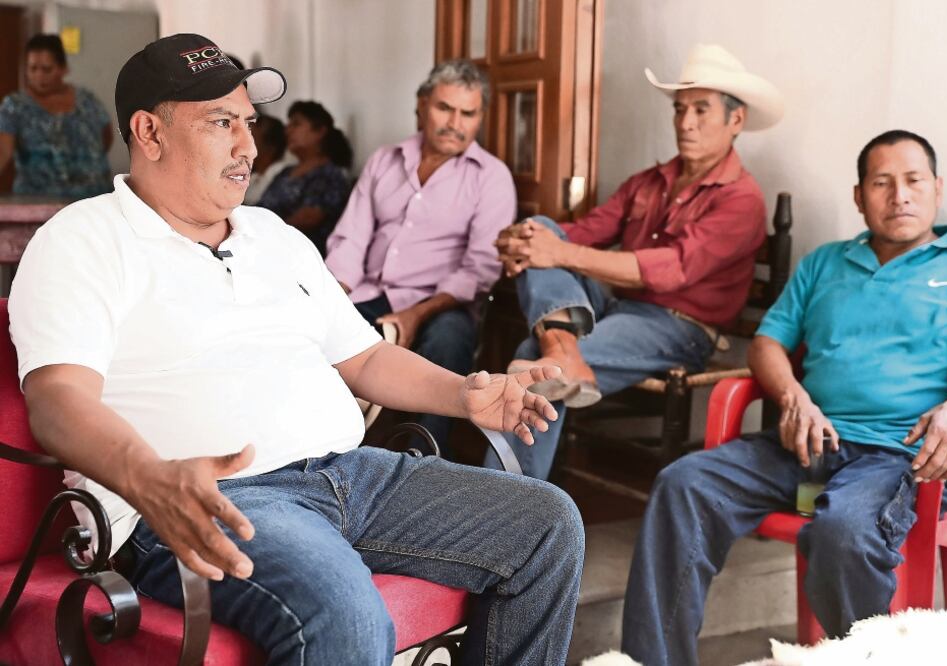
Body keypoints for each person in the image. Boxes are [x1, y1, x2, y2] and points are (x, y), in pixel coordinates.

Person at [9, 33, 583, 666]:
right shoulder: (81, 240)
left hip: (351, 473)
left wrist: (462, 392)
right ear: (149, 132)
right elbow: (57, 399)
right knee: (344, 610)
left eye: (249, 123)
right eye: (220, 123)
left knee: (547, 525)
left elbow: (363, 358)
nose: (248, 146)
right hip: (218, 502)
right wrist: (147, 477)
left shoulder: (272, 234)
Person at [621, 130, 947, 666]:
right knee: (684, 484)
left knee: (843, 532)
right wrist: (794, 397)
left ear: (937, 189)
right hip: (808, 444)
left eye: (914, 181)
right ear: (858, 195)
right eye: (882, 183)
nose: (900, 196)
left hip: (897, 458)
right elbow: (768, 344)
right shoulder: (825, 263)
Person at [491, 44, 784, 479]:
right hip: (618, 311)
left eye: (701, 110)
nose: (685, 122)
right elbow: (578, 233)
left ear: (735, 120)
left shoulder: (742, 199)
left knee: (534, 360)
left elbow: (671, 269)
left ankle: (501, 516)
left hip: (679, 327)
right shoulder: (651, 181)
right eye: (680, 109)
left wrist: (556, 251)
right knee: (541, 226)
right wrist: (523, 241)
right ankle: (565, 351)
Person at [325, 59, 516, 456]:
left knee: (448, 342)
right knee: (317, 335)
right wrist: (331, 299)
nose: (455, 123)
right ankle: (328, 455)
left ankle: (422, 462)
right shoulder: (385, 160)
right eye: (445, 108)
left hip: (444, 302)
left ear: (481, 117)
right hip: (371, 290)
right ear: (422, 104)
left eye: (468, 113)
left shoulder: (491, 177)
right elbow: (351, 239)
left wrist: (417, 314)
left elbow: (479, 268)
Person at [0, 33, 112, 198]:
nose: (39, 76)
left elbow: (106, 137)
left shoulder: (87, 101)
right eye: (33, 69)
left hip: (92, 198)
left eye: (46, 69)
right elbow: (3, 150)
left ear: (63, 69)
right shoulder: (15, 106)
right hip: (38, 201)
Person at [258, 100, 352, 255]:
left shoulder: (330, 175)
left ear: (320, 131)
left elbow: (307, 219)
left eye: (296, 124)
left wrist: (260, 236)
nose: (288, 130)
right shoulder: (286, 171)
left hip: (293, 255)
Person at [243, 113, 292, 204]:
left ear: (271, 147)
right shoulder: (253, 177)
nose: (244, 145)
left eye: (252, 139)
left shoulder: (280, 174)